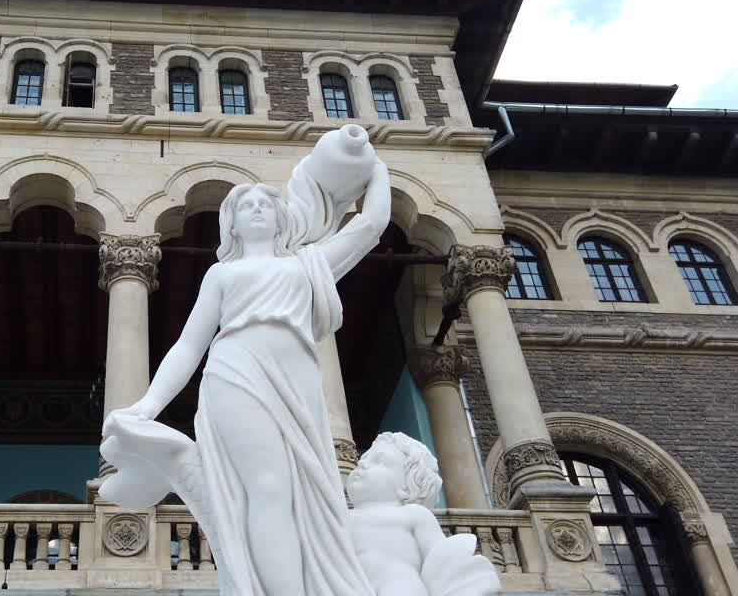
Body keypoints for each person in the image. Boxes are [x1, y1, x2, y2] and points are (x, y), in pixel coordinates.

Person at [100, 148, 392, 596]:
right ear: (231, 224)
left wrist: (377, 168)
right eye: (245, 206)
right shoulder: (222, 275)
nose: (256, 210)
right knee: (268, 487)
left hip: (297, 384)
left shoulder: (306, 264)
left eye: (264, 204)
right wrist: (149, 404)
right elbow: (189, 345)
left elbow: (370, 226)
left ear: (280, 218)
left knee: (304, 496)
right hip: (236, 374)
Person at [346, 431, 500, 596]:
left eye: (379, 461)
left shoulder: (412, 514)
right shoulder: (344, 516)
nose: (362, 464)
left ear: (408, 487)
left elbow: (439, 556)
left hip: (398, 585)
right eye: (364, 459)